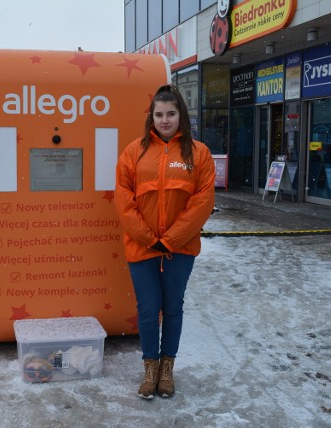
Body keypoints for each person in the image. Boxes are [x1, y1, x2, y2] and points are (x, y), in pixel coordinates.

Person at [114, 84, 215, 399]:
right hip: (141, 247)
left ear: (180, 115)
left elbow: (203, 202)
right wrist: (148, 237)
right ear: (151, 117)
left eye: (171, 113)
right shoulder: (134, 152)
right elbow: (123, 199)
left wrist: (170, 240)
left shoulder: (199, 154)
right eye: (159, 114)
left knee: (172, 308)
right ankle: (150, 369)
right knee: (147, 309)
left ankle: (167, 370)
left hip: (180, 249)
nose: (165, 120)